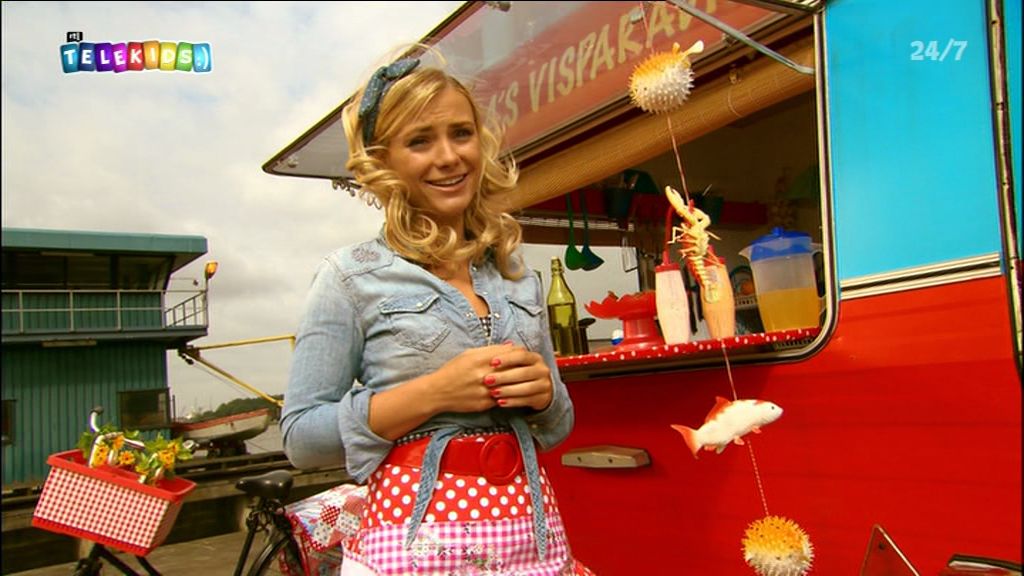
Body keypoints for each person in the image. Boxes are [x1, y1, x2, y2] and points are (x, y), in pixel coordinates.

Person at [281, 50, 593, 575]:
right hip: (415, 543)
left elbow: (557, 426)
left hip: (528, 532)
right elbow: (301, 439)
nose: (448, 157)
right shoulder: (348, 276)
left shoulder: (518, 276)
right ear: (384, 161)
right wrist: (435, 392)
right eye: (420, 141)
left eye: (461, 133)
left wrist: (544, 395)